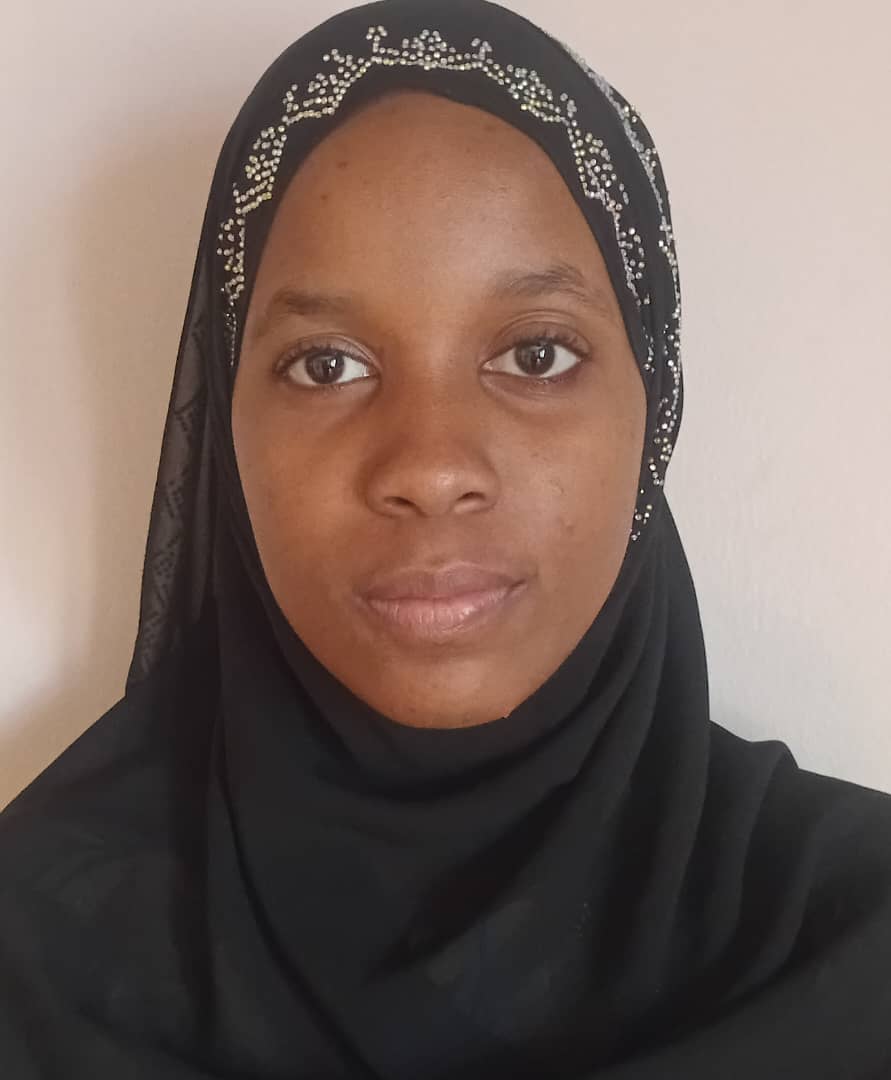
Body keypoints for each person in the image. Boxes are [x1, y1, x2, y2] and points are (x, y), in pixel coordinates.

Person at [2, 0, 889, 1076]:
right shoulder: (32, 956)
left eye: (536, 355)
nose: (428, 468)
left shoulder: (855, 945)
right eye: (326, 364)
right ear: (227, 423)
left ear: (651, 412)